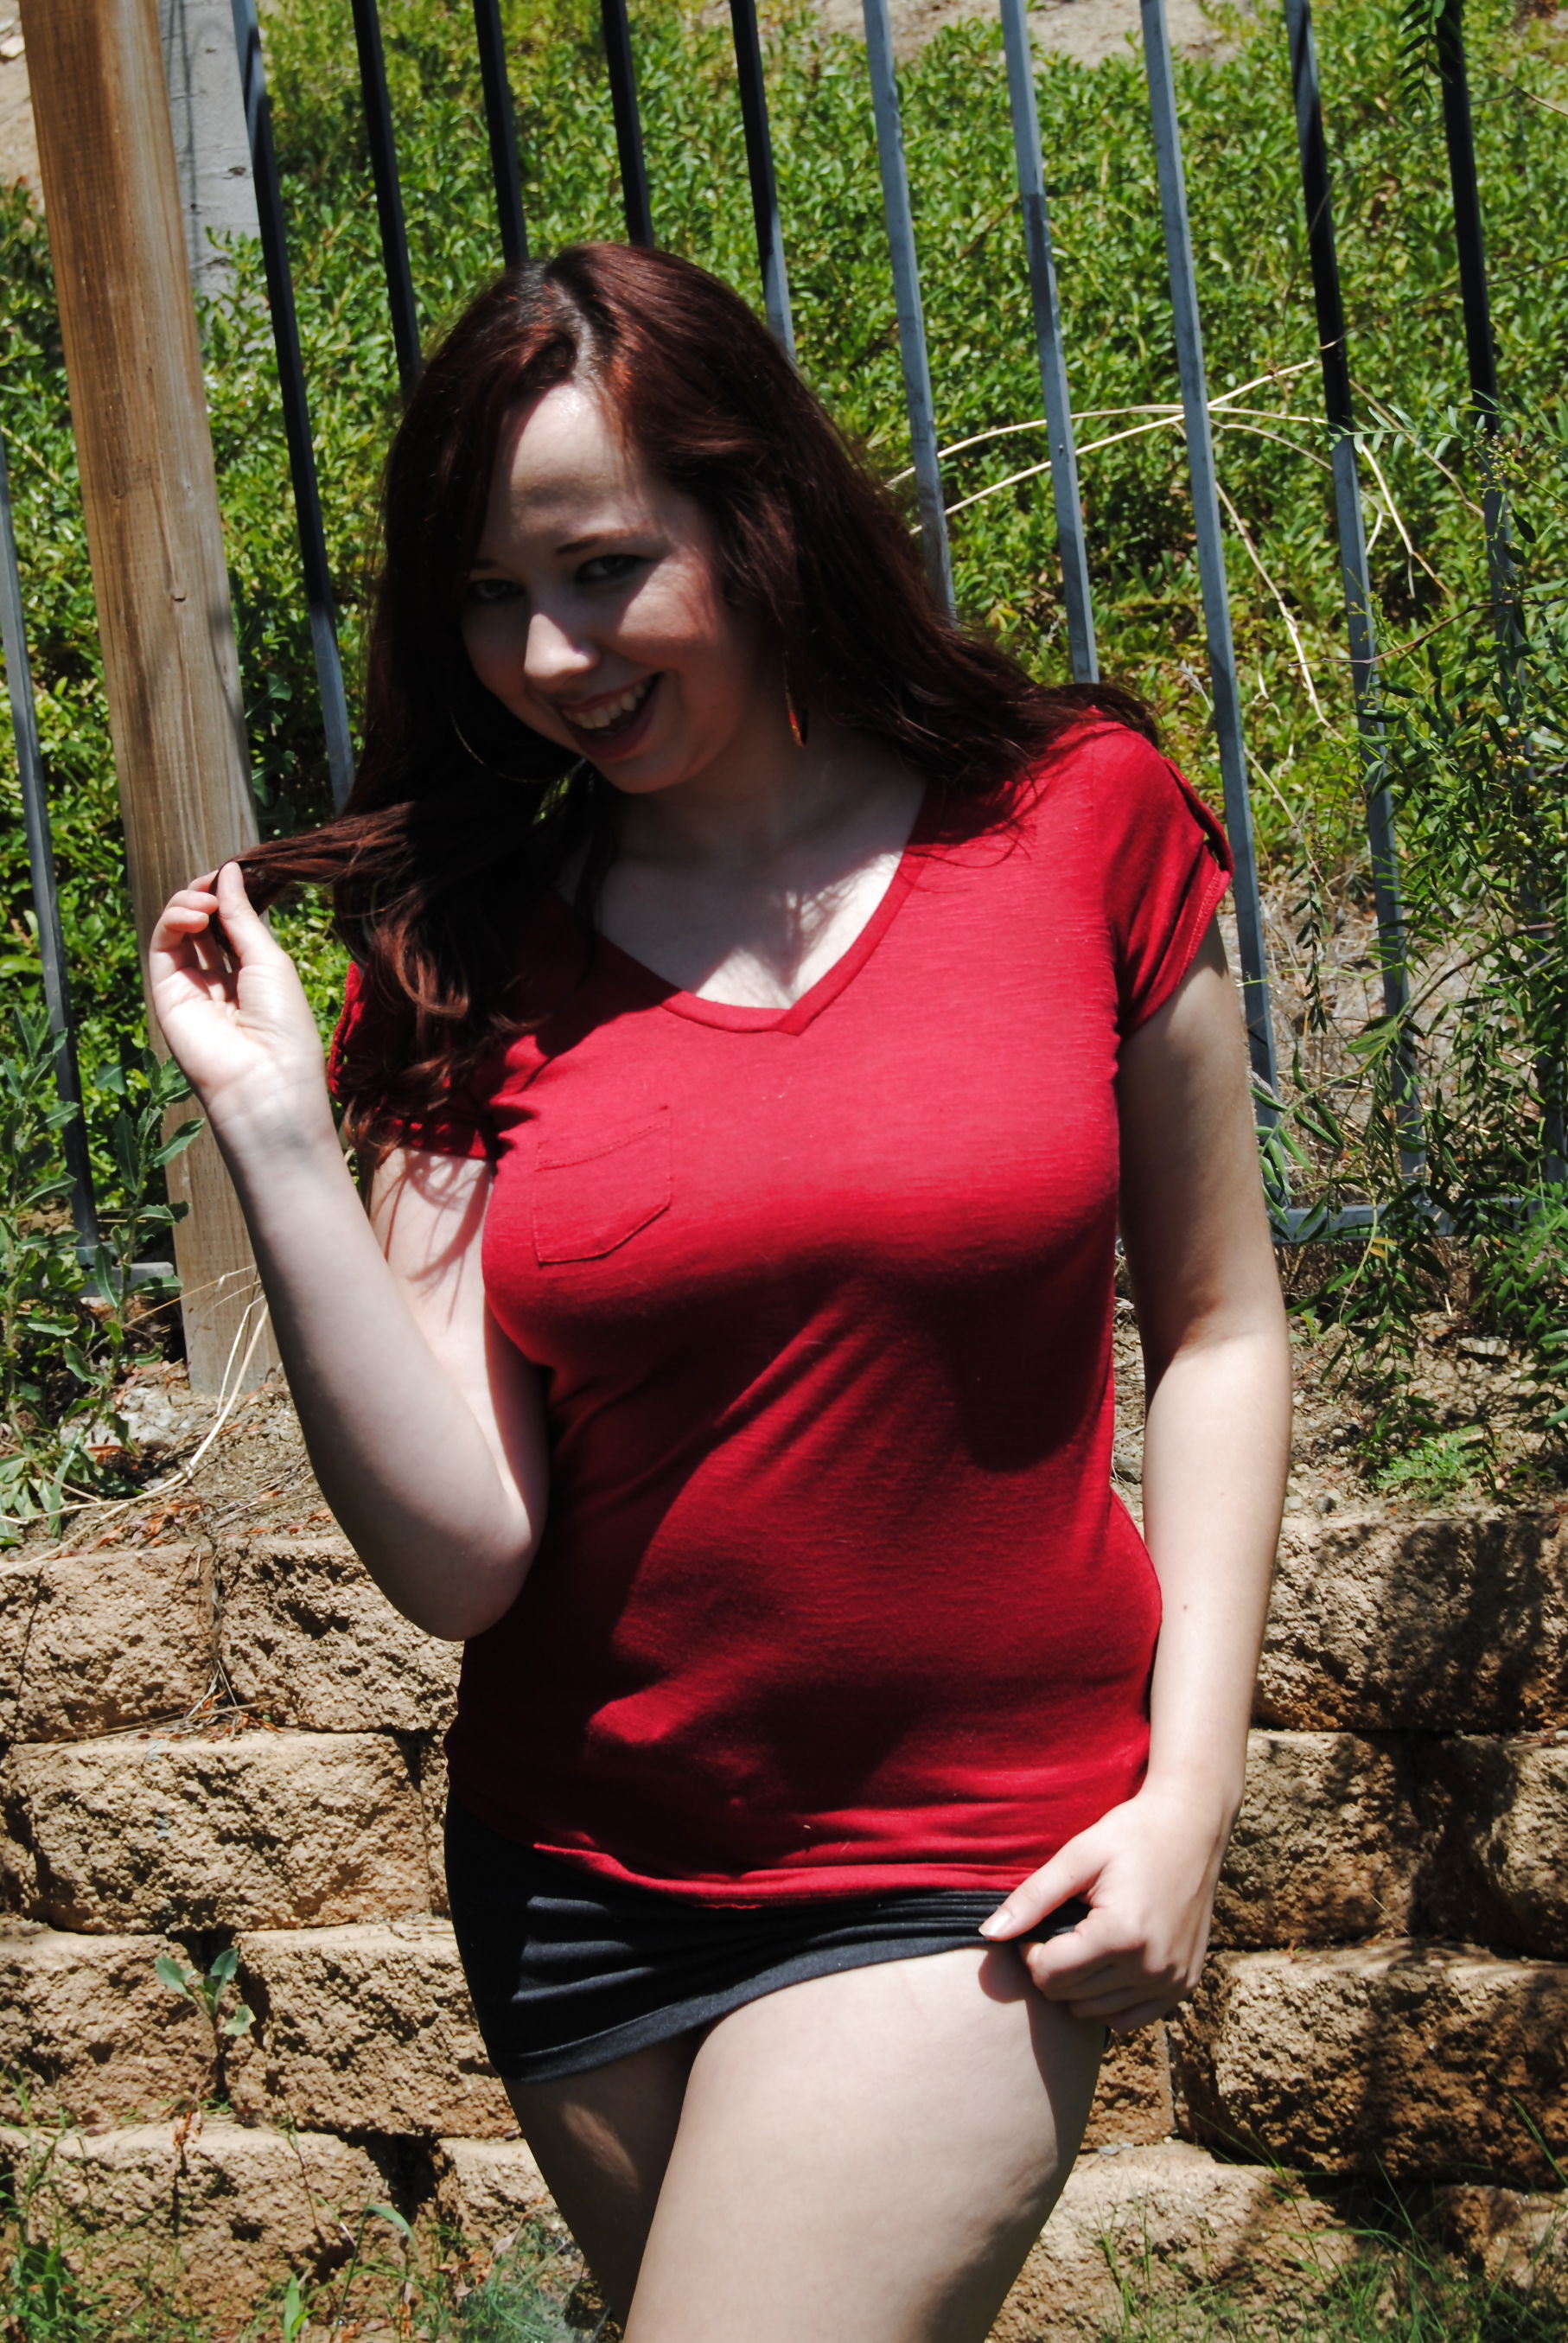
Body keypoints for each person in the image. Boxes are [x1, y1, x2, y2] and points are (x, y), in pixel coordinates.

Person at [150, 243, 1291, 2342]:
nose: (549, 654)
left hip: (962, 1853)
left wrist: (1191, 1791)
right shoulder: (464, 952)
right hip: (576, 1883)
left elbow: (1219, 1327)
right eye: (490, 596)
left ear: (755, 507)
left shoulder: (1076, 822)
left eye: (602, 569)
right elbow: (465, 1557)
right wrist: (280, 1136)